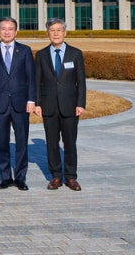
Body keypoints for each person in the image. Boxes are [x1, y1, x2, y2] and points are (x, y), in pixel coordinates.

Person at [34, 18, 87, 191]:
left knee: (70, 142)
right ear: (47, 33)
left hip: (70, 106)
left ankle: (71, 177)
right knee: (51, 142)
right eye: (52, 30)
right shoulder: (41, 55)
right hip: (48, 106)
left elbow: (81, 81)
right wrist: (37, 104)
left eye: (59, 30)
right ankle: (55, 176)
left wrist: (80, 103)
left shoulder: (75, 53)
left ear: (65, 32)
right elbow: (37, 82)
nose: (55, 33)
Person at [0, 17, 36, 190]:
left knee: (22, 142)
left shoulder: (25, 51)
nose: (7, 32)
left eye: (10, 29)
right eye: (3, 29)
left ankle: (20, 177)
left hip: (21, 104)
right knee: (2, 142)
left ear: (16, 31)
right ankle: (5, 176)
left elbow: (31, 78)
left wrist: (31, 100)